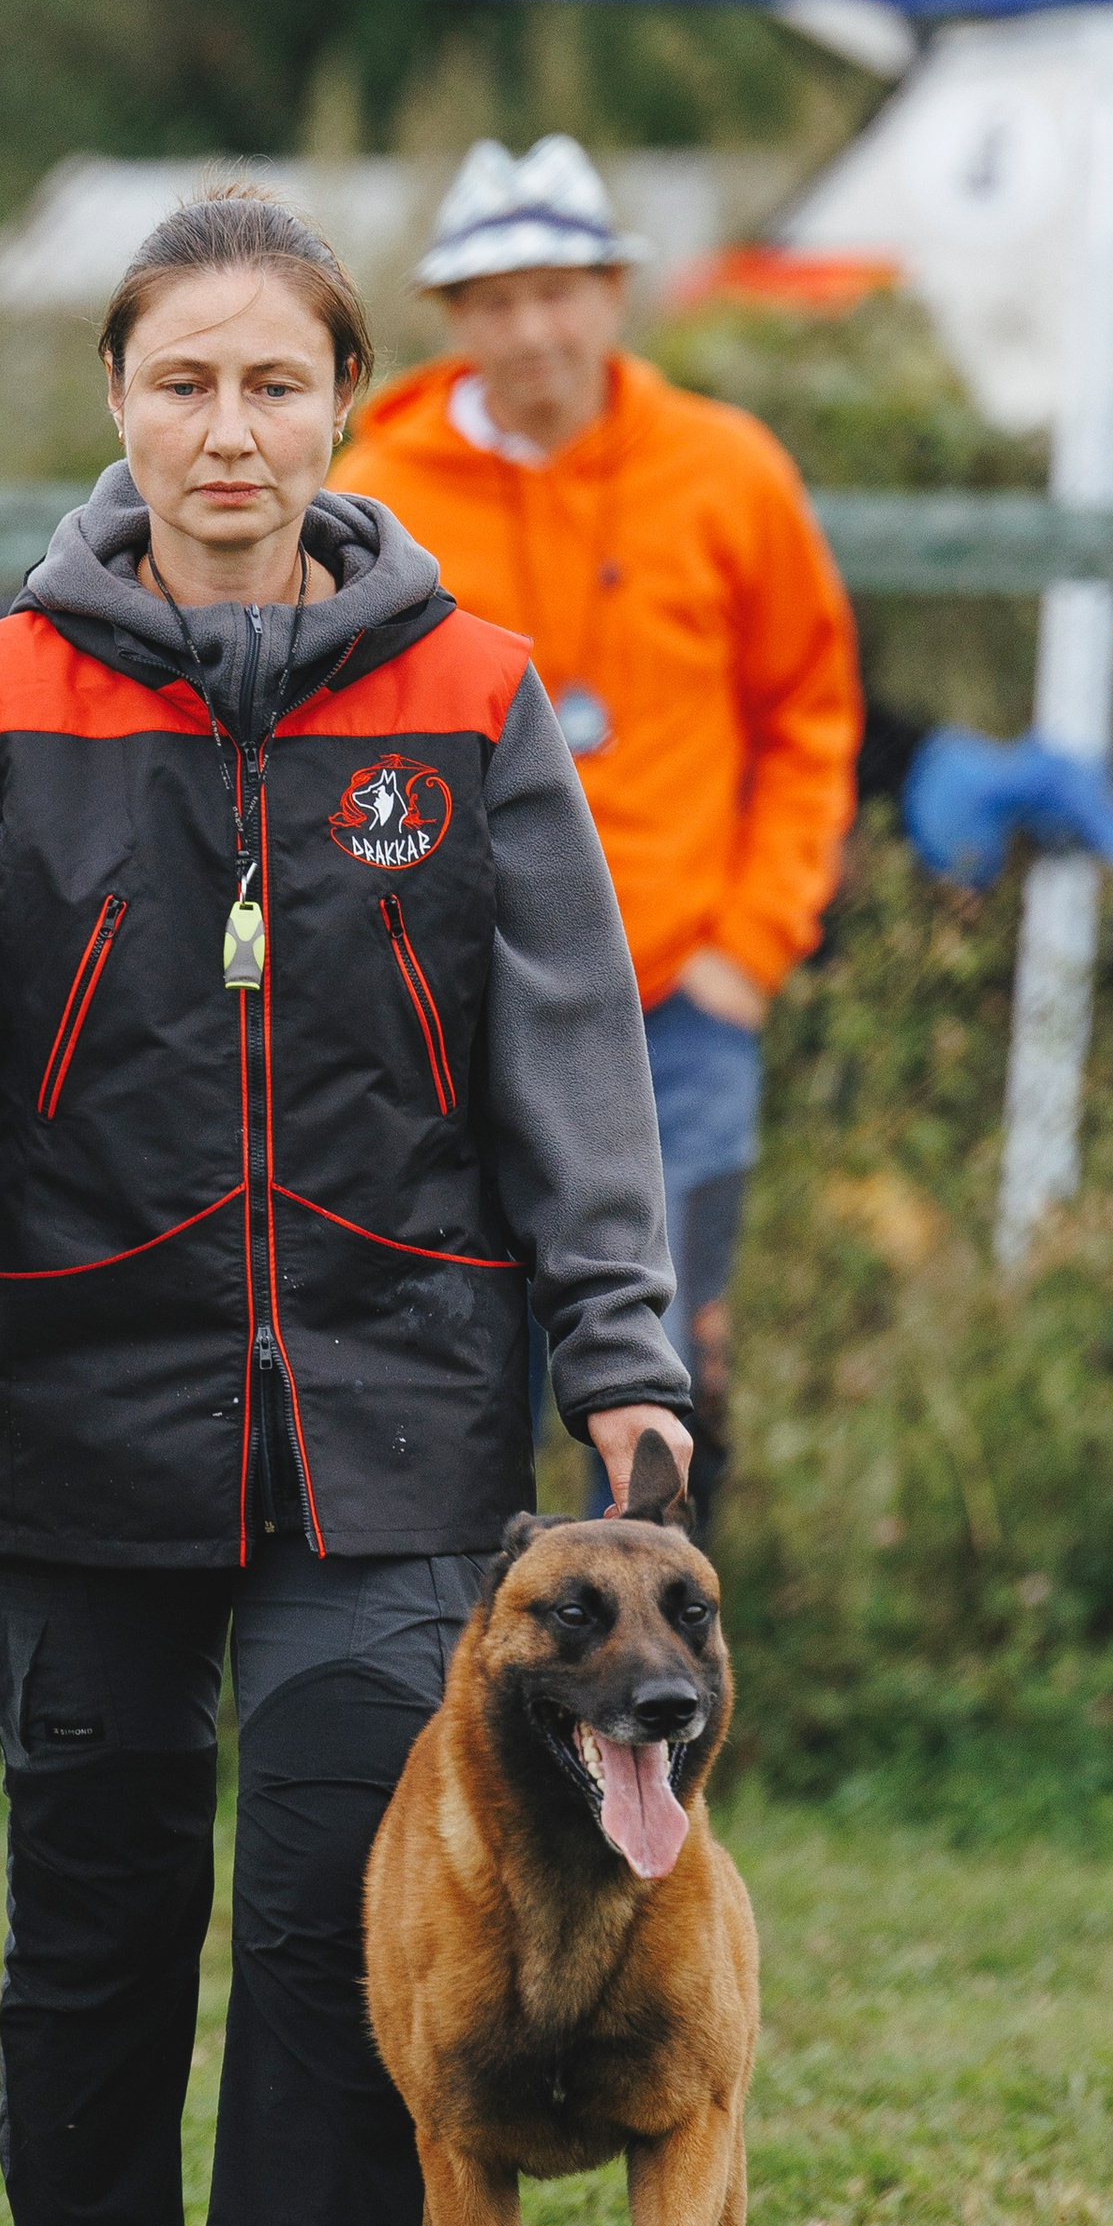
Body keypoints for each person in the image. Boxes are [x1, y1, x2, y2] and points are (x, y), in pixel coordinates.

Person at [0, 188, 691, 2226]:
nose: (226, 427)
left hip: (393, 1408)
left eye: (271, 381)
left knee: (322, 1913)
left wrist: (619, 1348)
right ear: (115, 400)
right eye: (180, 380)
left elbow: (567, 1051)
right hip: (59, 1400)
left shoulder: (468, 696)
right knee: (93, 1922)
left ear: (342, 408)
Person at [334, 135, 860, 1515]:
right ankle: (478, 1640)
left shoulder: (727, 472)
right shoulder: (381, 494)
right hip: (451, 1016)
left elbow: (809, 717)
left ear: (614, 294)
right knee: (455, 1375)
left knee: (663, 1378)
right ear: (455, 315)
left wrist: (751, 947)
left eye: (559, 292)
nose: (533, 330)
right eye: (497, 300)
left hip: (677, 1003)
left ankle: (662, 1641)